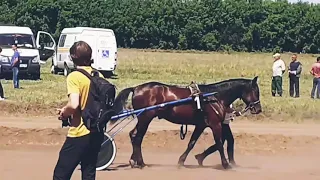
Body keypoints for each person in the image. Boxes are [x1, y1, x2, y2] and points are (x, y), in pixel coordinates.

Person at [53, 41, 104, 180]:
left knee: (60, 175)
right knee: (88, 173)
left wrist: (64, 112)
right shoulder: (98, 75)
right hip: (96, 133)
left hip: (79, 133)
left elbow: (74, 104)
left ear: (73, 57)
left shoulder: (74, 76)